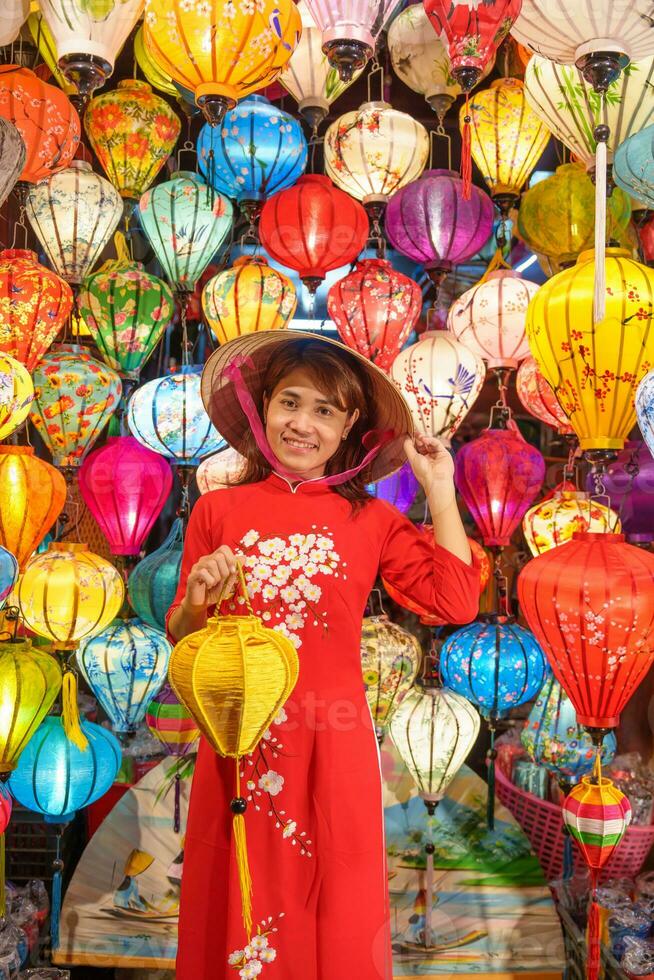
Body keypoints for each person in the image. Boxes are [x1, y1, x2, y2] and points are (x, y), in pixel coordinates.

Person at [167, 330, 481, 980]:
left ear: (350, 428)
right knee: (243, 907)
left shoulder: (368, 520)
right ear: (262, 409)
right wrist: (197, 600)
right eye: (290, 402)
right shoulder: (218, 510)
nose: (302, 424)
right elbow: (183, 637)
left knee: (334, 907)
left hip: (333, 746)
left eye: (324, 411)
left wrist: (439, 485)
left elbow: (454, 601)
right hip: (240, 743)